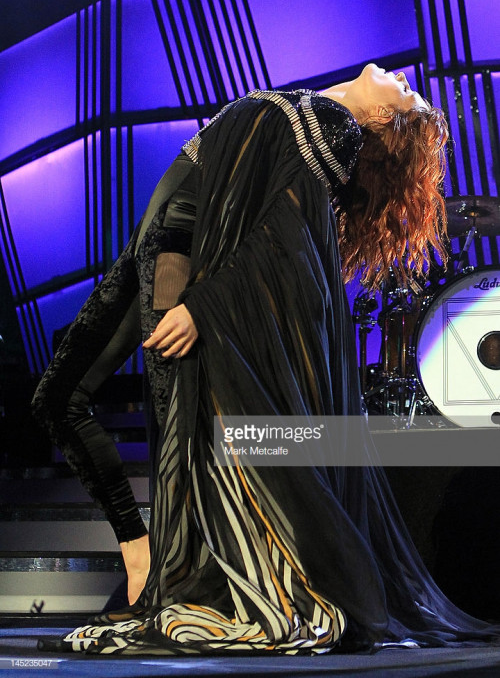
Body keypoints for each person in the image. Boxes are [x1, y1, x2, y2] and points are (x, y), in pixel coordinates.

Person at [32, 64, 496, 654]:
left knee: (181, 429)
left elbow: (285, 235)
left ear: (381, 117)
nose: (403, 77)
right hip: (148, 248)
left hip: (178, 258)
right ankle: (138, 545)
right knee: (55, 398)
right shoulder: (306, 106)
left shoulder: (334, 124)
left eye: (405, 93)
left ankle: (164, 568)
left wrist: (204, 305)